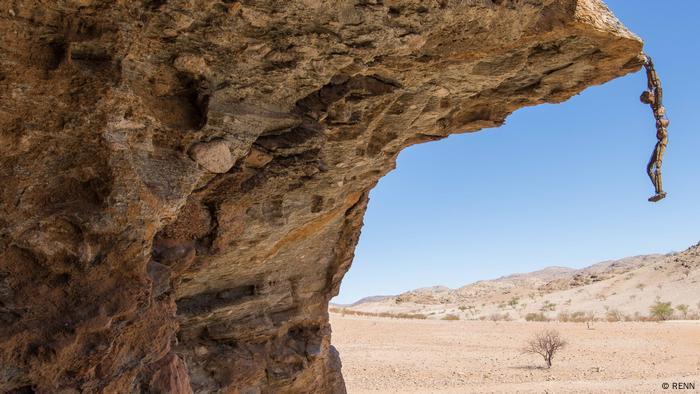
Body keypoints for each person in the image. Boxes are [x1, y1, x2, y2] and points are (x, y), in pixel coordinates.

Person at [640, 54, 669, 203]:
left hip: (663, 139)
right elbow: (656, 85)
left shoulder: (656, 103)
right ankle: (659, 191)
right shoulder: (656, 103)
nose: (650, 93)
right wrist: (649, 67)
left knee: (657, 165)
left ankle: (660, 191)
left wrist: (648, 67)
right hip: (661, 139)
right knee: (648, 168)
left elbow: (654, 84)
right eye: (649, 95)